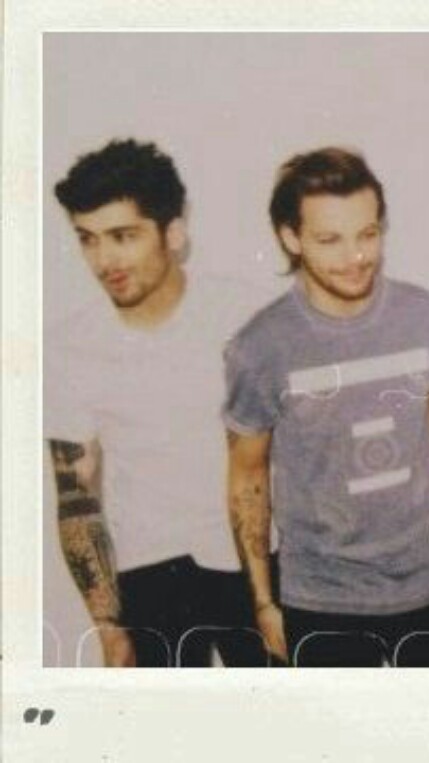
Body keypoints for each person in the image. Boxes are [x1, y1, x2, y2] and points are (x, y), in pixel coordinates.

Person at [224, 147, 429, 668]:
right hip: (323, 602)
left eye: (367, 234)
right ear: (291, 238)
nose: (355, 256)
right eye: (329, 240)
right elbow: (247, 476)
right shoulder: (261, 346)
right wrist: (263, 602)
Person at [46, 139, 271, 667]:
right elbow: (76, 497)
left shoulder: (242, 315)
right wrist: (107, 627)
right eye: (88, 239)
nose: (105, 260)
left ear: (173, 232)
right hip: (150, 572)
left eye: (123, 236)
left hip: (257, 561)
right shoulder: (70, 347)